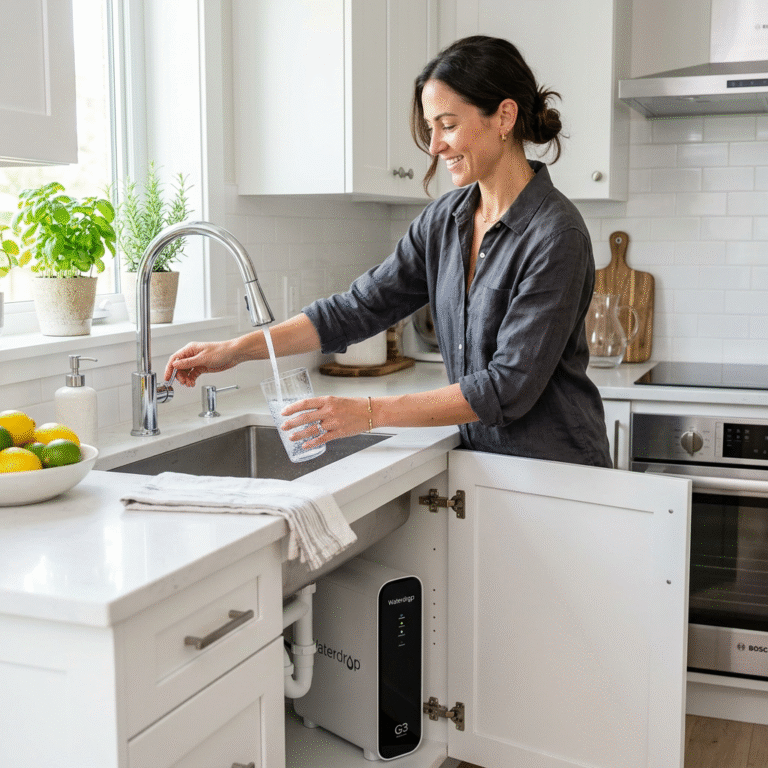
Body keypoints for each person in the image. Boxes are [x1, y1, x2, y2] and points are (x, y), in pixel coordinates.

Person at [165, 35, 611, 467]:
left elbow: (506, 388)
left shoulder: (555, 235)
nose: (435, 145)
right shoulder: (444, 221)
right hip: (483, 464)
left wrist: (367, 413)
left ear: (504, 116)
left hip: (556, 470)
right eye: (431, 127)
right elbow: (356, 310)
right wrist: (235, 350)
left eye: (448, 125)